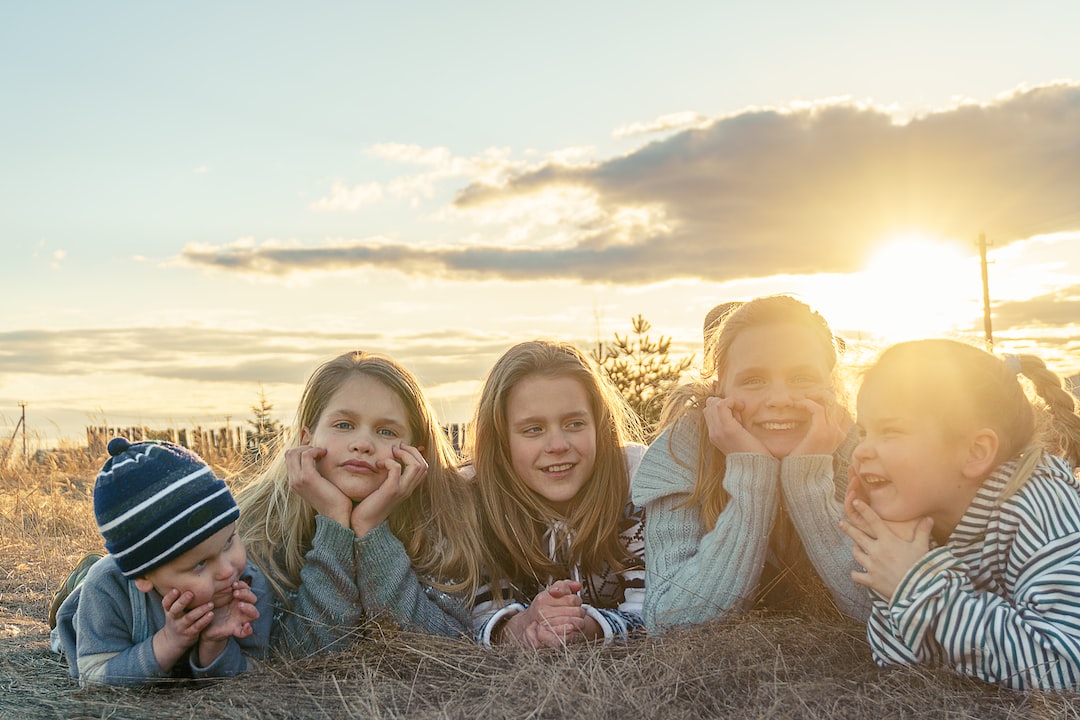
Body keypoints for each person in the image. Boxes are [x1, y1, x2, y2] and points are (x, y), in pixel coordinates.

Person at [841, 339, 1080, 690]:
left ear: (975, 453)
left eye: (890, 431)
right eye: (863, 432)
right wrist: (891, 547)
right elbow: (897, 663)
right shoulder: (926, 516)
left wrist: (917, 583)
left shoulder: (1040, 506)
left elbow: (1065, 668)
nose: (861, 450)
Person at [632, 295, 870, 631]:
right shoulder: (683, 451)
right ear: (719, 390)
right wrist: (752, 475)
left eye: (801, 377)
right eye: (753, 380)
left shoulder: (859, 452)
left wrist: (807, 481)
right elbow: (670, 620)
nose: (779, 399)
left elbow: (884, 613)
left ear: (830, 385)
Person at [236, 350, 483, 655]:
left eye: (386, 431)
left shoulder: (444, 517)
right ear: (306, 439)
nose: (363, 444)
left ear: (415, 454)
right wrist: (334, 523)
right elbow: (299, 656)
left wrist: (371, 529)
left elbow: (443, 646)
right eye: (343, 425)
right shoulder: (261, 527)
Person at [466, 340, 647, 648]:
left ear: (599, 428)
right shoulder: (472, 500)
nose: (558, 445)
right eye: (533, 429)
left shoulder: (635, 480)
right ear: (501, 442)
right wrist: (521, 626)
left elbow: (657, 605)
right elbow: (470, 615)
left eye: (574, 423)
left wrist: (587, 626)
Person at [50, 437, 271, 686]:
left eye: (229, 542)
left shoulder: (248, 585)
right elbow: (93, 677)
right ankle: (76, 584)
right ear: (143, 576)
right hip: (88, 611)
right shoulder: (106, 589)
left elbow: (253, 670)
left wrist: (214, 644)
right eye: (199, 564)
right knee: (74, 610)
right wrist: (168, 642)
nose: (227, 570)